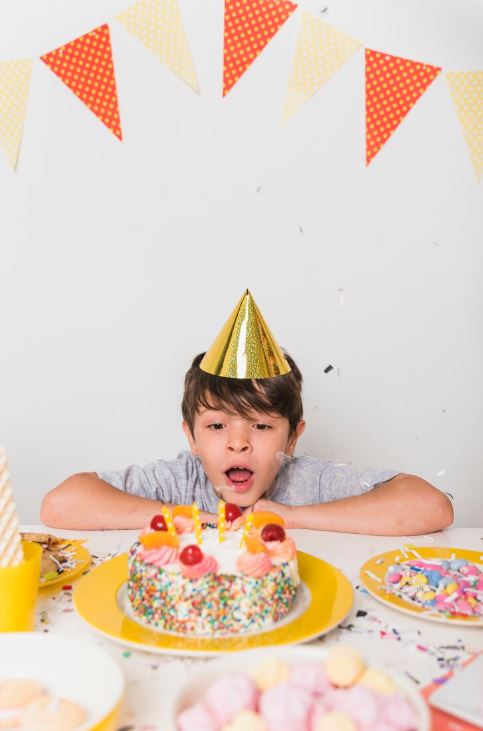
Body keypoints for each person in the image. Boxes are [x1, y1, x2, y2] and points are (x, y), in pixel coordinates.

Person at [41, 292, 453, 535]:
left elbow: (432, 507)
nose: (238, 441)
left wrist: (292, 517)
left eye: (260, 425)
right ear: (191, 436)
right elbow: (60, 505)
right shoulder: (179, 481)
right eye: (217, 426)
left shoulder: (307, 482)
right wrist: (189, 518)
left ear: (292, 437)